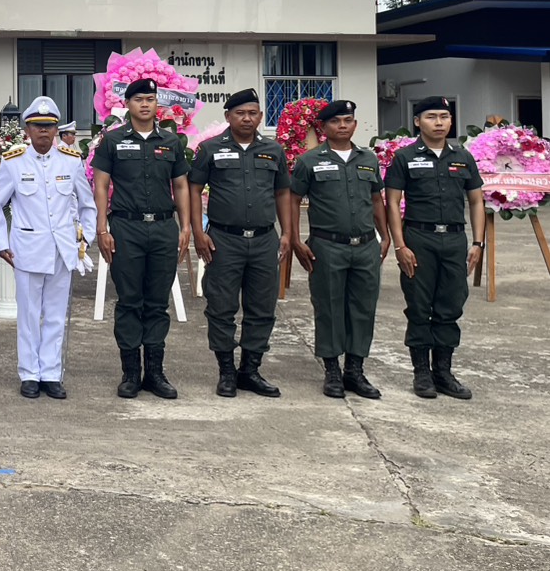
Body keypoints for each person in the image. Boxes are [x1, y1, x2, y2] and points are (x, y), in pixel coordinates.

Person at [0, 97, 97, 400]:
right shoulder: (13, 162)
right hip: (27, 250)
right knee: (29, 315)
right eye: (37, 126)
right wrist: (1, 243)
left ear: (56, 129)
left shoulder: (71, 161)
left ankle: (50, 373)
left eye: (48, 126)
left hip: (63, 250)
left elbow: (88, 205)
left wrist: (85, 238)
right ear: (27, 129)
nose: (43, 132)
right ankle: (29, 374)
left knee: (56, 315)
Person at [91, 78, 191, 399]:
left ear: (157, 103)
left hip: (163, 228)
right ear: (127, 104)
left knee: (158, 302)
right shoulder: (113, 140)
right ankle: (131, 373)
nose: (145, 104)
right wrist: (102, 229)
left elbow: (180, 186)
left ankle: (155, 373)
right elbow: (101, 185)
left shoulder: (171, 142)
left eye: (150, 99)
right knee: (130, 300)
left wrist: (185, 227)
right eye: (138, 99)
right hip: (126, 228)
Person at [188, 89, 292, 398]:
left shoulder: (274, 150)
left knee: (262, 308)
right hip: (223, 240)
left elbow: (282, 192)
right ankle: (226, 372)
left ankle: (250, 370)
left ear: (261, 117)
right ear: (228, 117)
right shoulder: (209, 149)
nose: (247, 118)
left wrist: (287, 232)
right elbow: (193, 190)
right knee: (221, 307)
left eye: (252, 113)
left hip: (264, 240)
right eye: (240, 113)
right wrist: (198, 232)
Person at [385, 96, 486, 400]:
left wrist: (478, 242)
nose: (439, 122)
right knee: (419, 305)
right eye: (431, 117)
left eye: (444, 116)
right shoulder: (404, 157)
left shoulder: (463, 157)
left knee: (450, 305)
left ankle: (443, 373)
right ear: (417, 121)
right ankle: (422, 374)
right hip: (419, 238)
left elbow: (476, 201)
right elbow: (392, 202)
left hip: (454, 240)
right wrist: (400, 245)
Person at [289, 99, 390, 399]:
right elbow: (293, 199)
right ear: (324, 127)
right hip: (327, 246)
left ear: (355, 125)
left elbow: (376, 199)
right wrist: (295, 239)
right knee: (329, 307)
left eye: (347, 120)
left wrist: (385, 236)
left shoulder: (368, 159)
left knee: (363, 308)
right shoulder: (309, 161)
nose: (342, 126)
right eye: (335, 121)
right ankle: (332, 370)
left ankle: (355, 371)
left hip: (366, 245)